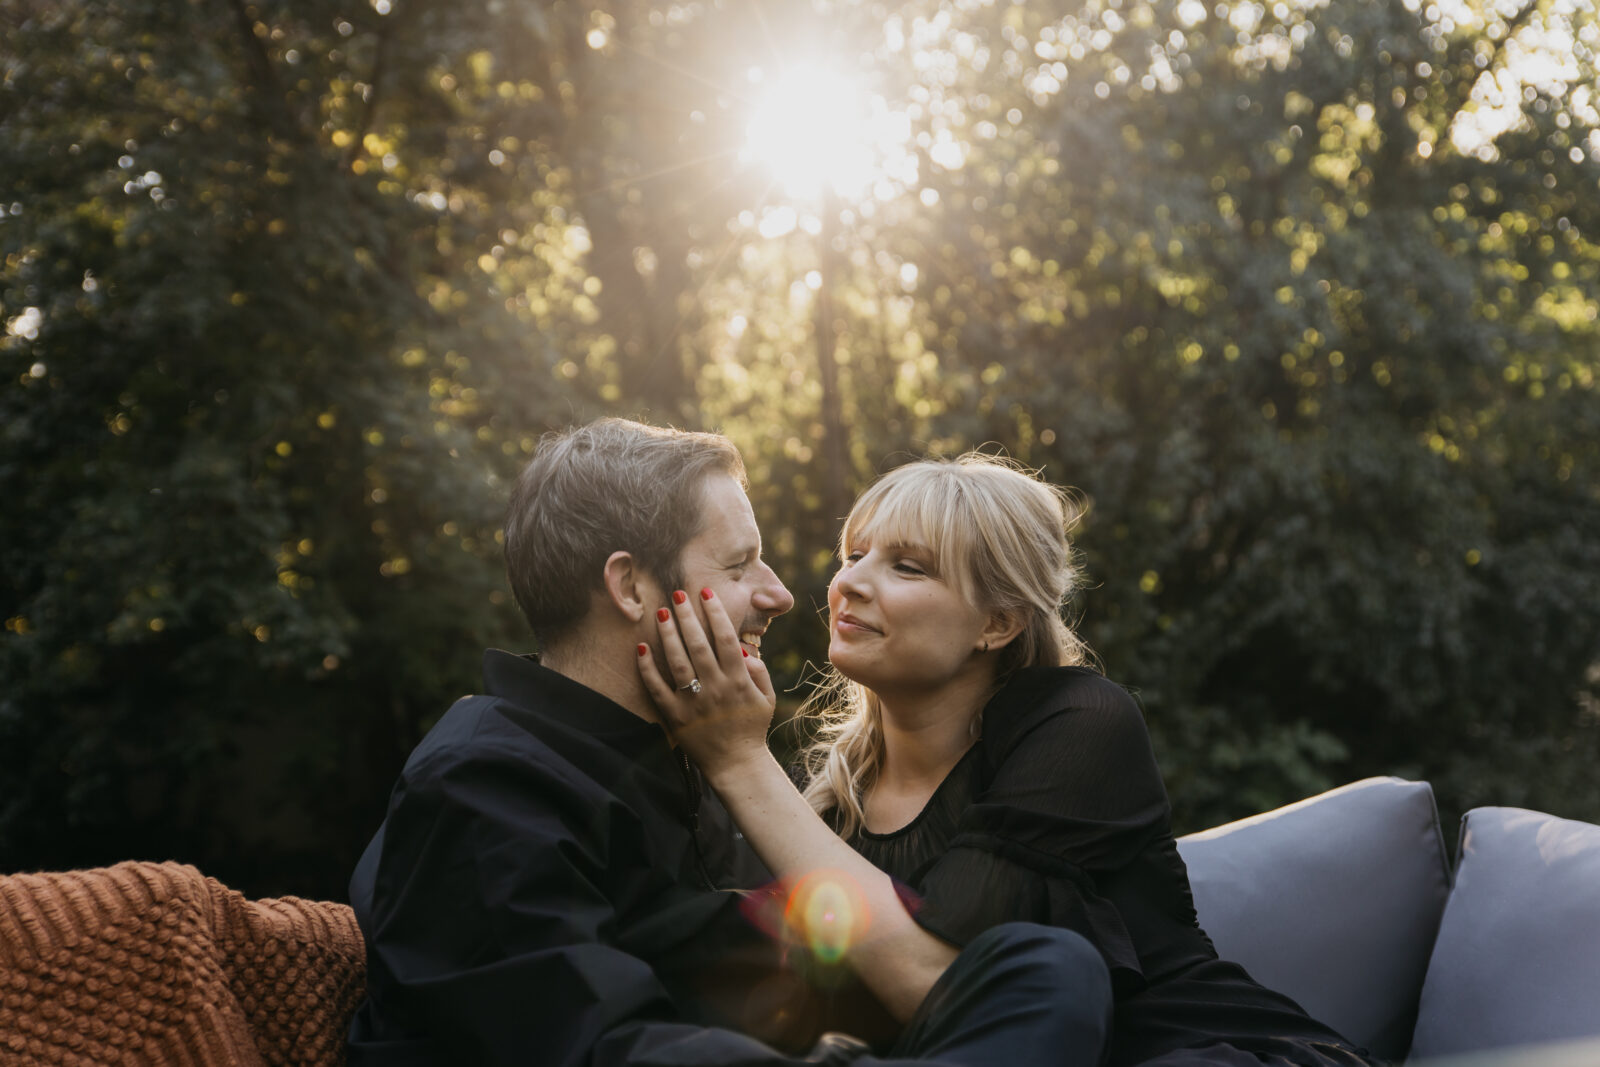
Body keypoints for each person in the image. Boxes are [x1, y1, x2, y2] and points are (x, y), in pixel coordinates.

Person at [347, 419, 1114, 1067]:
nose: (782, 594)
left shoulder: (684, 757)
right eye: (741, 564)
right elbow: (597, 1044)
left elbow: (815, 958)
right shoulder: (483, 785)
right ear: (632, 588)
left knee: (1043, 968)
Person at [643, 452, 1376, 1067]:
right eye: (854, 554)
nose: (851, 583)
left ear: (997, 623)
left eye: (907, 566)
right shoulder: (836, 806)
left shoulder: (1081, 724)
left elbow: (935, 979)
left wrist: (740, 760)